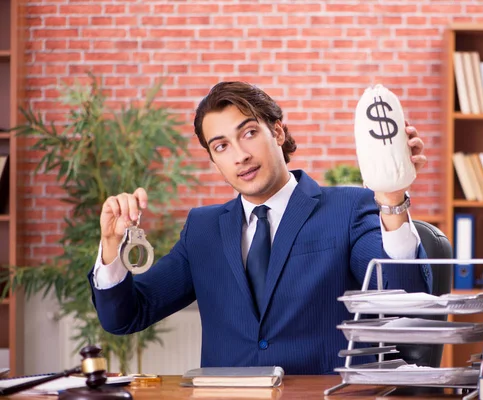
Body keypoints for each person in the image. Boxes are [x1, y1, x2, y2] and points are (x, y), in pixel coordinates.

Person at [88, 81, 432, 375]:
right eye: (221, 146)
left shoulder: (347, 208)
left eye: (249, 133)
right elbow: (125, 317)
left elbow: (402, 300)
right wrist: (111, 245)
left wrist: (391, 198)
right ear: (214, 160)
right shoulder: (203, 229)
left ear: (277, 132)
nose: (240, 155)